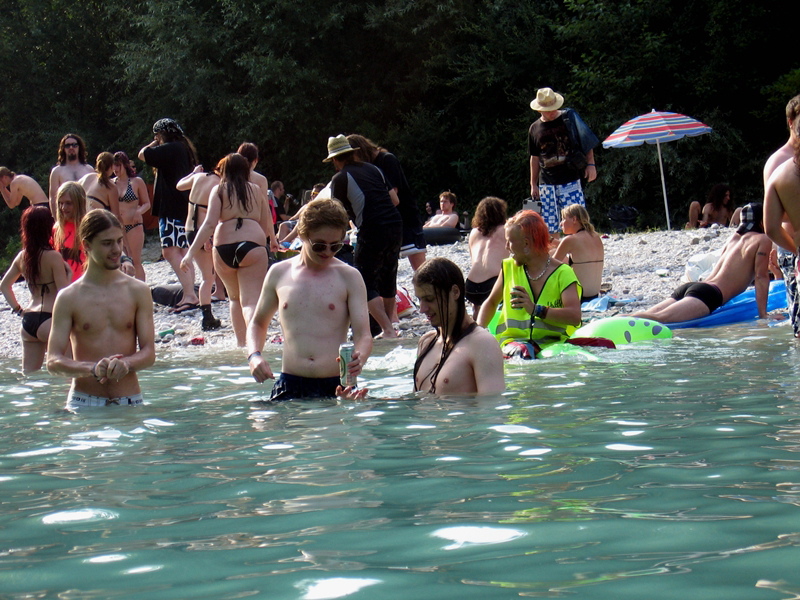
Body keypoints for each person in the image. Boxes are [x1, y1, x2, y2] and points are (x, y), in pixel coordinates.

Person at [246, 199, 372, 400]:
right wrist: (254, 355)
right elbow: (258, 323)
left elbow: (364, 334)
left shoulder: (349, 276)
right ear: (303, 235)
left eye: (335, 246)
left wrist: (360, 358)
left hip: (337, 384)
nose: (327, 252)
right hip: (290, 382)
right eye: (320, 245)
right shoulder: (279, 272)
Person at [46, 209, 155, 409]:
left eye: (119, 241)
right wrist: (92, 368)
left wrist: (127, 364)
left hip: (129, 401)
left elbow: (149, 353)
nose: (116, 250)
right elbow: (53, 361)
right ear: (86, 245)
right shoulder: (69, 297)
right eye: (107, 243)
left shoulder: (138, 291)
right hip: (84, 402)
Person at [180, 153, 272, 345]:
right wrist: (270, 244)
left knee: (235, 300)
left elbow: (208, 224)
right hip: (252, 246)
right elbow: (266, 224)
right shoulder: (256, 190)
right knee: (250, 301)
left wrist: (189, 254)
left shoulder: (219, 190)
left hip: (223, 248)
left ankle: (241, 345)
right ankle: (255, 346)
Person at [636, 203, 772, 323]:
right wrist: (763, 315)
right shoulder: (763, 239)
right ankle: (615, 323)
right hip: (708, 295)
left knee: (647, 315)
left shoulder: (733, 238)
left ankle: (618, 321)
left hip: (696, 286)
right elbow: (761, 277)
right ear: (762, 222)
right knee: (660, 319)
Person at [325, 134, 403, 338]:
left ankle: (387, 329)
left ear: (335, 159)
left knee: (363, 280)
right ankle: (389, 328)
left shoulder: (340, 178)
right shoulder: (374, 169)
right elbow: (394, 200)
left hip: (372, 228)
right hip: (395, 225)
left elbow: (337, 213)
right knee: (388, 275)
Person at [477, 210, 582, 359]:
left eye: (510, 241)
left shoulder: (563, 273)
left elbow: (574, 316)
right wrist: (476, 332)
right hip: (514, 344)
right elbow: (492, 302)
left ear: (526, 244)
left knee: (604, 344)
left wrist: (536, 310)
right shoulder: (508, 268)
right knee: (523, 352)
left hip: (553, 346)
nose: (506, 247)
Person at [413, 257, 504, 394]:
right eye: (419, 300)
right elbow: (415, 401)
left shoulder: (482, 344)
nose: (422, 309)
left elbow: (492, 409)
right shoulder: (426, 343)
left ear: (455, 292)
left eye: (429, 299)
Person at [139, 118, 200, 313]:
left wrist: (154, 142)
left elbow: (143, 154)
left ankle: (189, 294)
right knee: (181, 252)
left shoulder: (171, 148)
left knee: (170, 251)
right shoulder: (182, 148)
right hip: (182, 206)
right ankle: (190, 293)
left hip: (171, 208)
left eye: (157, 135)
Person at [1, 206, 70, 373]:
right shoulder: (53, 257)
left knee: (29, 377)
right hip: (51, 318)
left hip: (29, 321)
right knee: (66, 374)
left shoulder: (22, 256)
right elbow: (64, 294)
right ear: (49, 227)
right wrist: (70, 274)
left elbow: (4, 285)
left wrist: (19, 310)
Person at [347, 134, 427, 271]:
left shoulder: (386, 160)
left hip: (405, 216)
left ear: (358, 151)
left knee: (421, 269)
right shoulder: (368, 166)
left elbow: (393, 194)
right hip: (386, 222)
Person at [528, 87, 599, 234]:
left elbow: (586, 141)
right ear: (539, 109)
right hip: (546, 183)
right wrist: (533, 183)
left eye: (554, 108)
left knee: (577, 222)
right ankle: (555, 255)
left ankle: (580, 253)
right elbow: (534, 158)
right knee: (549, 226)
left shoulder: (569, 118)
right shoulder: (534, 128)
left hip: (570, 179)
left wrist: (591, 164)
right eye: (548, 110)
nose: (552, 112)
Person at [764, 94, 800, 337]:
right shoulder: (777, 162)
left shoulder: (781, 172)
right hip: (792, 251)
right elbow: (777, 225)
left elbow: (770, 225)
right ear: (790, 121)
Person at [176, 162, 223, 331]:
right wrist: (208, 238)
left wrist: (192, 172)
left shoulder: (197, 177)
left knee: (207, 275)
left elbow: (179, 185)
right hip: (203, 233)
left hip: (189, 230)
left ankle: (208, 314)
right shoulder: (218, 185)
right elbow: (212, 216)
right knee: (207, 277)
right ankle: (207, 317)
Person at [550, 203, 604, 301]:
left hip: (579, 297)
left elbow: (549, 266)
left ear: (574, 219)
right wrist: (551, 241)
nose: (561, 223)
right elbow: (575, 248)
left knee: (550, 255)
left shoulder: (570, 240)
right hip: (594, 295)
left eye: (563, 219)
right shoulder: (595, 236)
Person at [466, 196, 508, 318]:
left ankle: (477, 317)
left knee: (479, 309)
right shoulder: (505, 230)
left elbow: (473, 258)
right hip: (493, 283)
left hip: (470, 286)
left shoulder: (474, 232)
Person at [113, 152, 150, 281]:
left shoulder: (136, 182)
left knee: (136, 260)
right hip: (118, 227)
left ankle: (142, 291)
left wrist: (139, 211)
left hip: (134, 226)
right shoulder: (112, 184)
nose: (115, 169)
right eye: (113, 166)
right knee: (122, 261)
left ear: (125, 165)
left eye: (118, 165)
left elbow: (147, 203)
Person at [48, 134, 94, 215]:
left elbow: (94, 195)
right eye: (67, 146)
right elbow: (53, 199)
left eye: (74, 145)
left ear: (79, 147)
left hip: (85, 215)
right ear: (63, 149)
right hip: (65, 215)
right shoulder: (57, 171)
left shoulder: (89, 169)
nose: (71, 148)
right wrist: (57, 220)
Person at [52, 181, 88, 282]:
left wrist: (125, 260)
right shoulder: (56, 229)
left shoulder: (89, 227)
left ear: (79, 203)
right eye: (60, 203)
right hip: (63, 287)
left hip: (85, 286)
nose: (63, 208)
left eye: (68, 203)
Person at [80, 152, 121, 222]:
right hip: (98, 225)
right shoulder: (110, 186)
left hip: (82, 223)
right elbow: (116, 216)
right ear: (111, 166)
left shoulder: (86, 178)